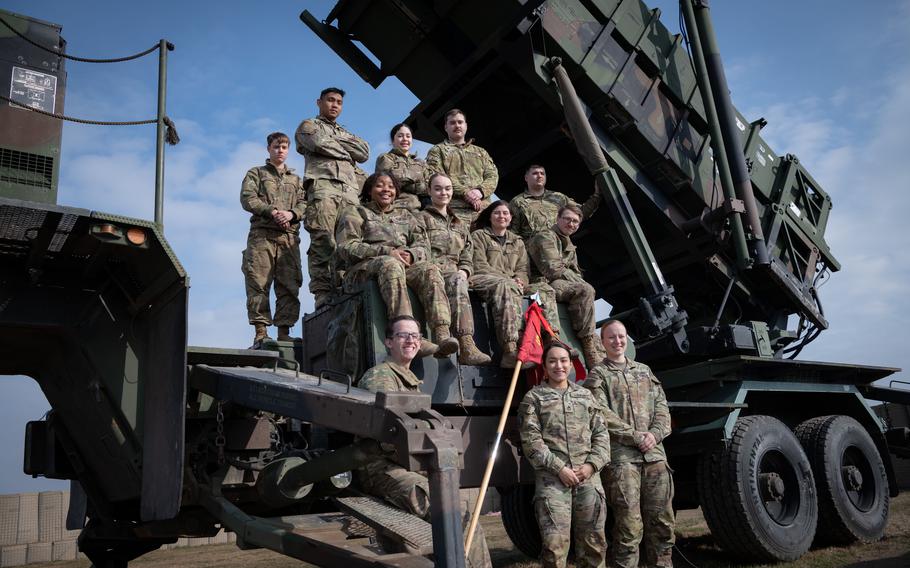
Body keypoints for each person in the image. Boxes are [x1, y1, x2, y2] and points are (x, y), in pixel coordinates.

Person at [356, 315, 492, 567]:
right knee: (455, 513)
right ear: (388, 342)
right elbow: (387, 437)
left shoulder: (409, 381)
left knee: (456, 512)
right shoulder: (380, 378)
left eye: (415, 336)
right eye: (402, 335)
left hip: (406, 466)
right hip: (383, 468)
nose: (410, 340)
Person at [583, 320, 675, 568]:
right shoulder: (598, 375)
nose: (617, 341)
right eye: (611, 337)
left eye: (621, 336)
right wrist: (635, 436)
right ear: (602, 343)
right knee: (629, 526)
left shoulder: (644, 371)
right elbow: (600, 413)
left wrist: (654, 435)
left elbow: (662, 410)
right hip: (623, 460)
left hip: (654, 455)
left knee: (663, 523)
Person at [335, 172, 458, 358]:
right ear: (369, 189)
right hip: (363, 269)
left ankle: (441, 334)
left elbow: (424, 246)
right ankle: (408, 333)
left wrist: (411, 254)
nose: (386, 190)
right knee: (391, 264)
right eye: (380, 185)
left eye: (391, 186)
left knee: (430, 270)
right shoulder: (356, 212)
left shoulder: (406, 216)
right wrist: (386, 252)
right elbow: (346, 247)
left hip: (403, 265)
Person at [518, 340, 610, 568]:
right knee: (554, 547)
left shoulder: (586, 396)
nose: (558, 365)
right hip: (553, 481)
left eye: (563, 360)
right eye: (552, 361)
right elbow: (531, 441)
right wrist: (559, 468)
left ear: (570, 364)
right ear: (545, 365)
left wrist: (591, 466)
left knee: (594, 545)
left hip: (588, 479)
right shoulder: (534, 398)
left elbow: (602, 435)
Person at [295, 87, 370, 308]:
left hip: (350, 193)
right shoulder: (308, 125)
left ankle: (345, 287)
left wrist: (336, 142)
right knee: (323, 241)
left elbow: (364, 152)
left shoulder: (345, 132)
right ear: (319, 102)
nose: (335, 105)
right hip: (323, 188)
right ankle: (322, 293)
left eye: (339, 101)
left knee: (349, 243)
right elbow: (317, 142)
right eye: (330, 100)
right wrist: (347, 152)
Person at [239, 131, 306, 346]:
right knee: (258, 282)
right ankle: (261, 331)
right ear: (268, 149)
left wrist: (292, 214)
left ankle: (284, 332)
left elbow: (305, 204)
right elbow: (248, 198)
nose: (280, 150)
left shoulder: (296, 180)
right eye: (276, 146)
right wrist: (272, 211)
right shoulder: (256, 173)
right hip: (262, 236)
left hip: (288, 238)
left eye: (284, 147)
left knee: (289, 285)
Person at [417, 173, 491, 365]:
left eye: (448, 188)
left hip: (452, 271)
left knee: (459, 279)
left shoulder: (459, 223)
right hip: (429, 267)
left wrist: (465, 270)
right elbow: (419, 247)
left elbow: (467, 253)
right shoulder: (420, 218)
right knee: (435, 275)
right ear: (429, 191)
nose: (444, 192)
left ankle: (466, 344)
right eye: (438, 188)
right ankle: (442, 334)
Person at [527, 204, 602, 368]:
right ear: (558, 218)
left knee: (585, 290)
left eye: (575, 221)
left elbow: (575, 272)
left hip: (558, 283)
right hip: (542, 283)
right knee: (585, 289)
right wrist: (579, 281)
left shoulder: (568, 244)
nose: (571, 224)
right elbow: (552, 269)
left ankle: (589, 340)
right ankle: (588, 344)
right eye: (567, 219)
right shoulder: (545, 236)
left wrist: (577, 279)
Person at [469, 200, 532, 368]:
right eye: (497, 213)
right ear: (490, 216)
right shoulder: (479, 236)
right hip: (482, 279)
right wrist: (509, 279)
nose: (501, 216)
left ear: (511, 218)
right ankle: (510, 349)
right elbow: (479, 264)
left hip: (511, 283)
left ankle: (549, 340)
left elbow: (523, 269)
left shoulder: (518, 242)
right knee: (505, 285)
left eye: (505, 213)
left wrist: (520, 279)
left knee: (545, 290)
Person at [425, 109, 498, 224]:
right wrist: (466, 193)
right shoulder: (437, 151)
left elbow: (492, 176)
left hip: (483, 211)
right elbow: (437, 176)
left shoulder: (481, 152)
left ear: (466, 126)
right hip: (455, 212)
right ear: (446, 127)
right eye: (452, 123)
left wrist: (480, 191)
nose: (457, 125)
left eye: (460, 122)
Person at [510, 164, 601, 240]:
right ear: (526, 178)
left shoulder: (558, 197)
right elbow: (512, 234)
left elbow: (581, 212)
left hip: (561, 251)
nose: (539, 176)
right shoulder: (517, 202)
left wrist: (597, 195)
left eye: (542, 173)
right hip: (534, 253)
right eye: (535, 173)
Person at [374, 123, 427, 211]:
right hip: (395, 208)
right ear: (392, 140)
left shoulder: (420, 162)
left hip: (420, 209)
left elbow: (430, 186)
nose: (405, 139)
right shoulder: (386, 158)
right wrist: (418, 183)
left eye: (408, 136)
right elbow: (392, 182)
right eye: (400, 136)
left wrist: (407, 180)